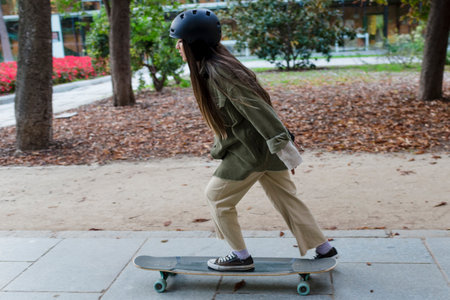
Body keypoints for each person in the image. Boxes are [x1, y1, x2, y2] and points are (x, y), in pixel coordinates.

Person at [169, 8, 338, 271]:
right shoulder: (213, 68)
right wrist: (281, 149)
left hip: (251, 150)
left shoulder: (220, 72)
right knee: (287, 199)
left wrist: (285, 149)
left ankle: (240, 256)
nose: (178, 47)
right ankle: (324, 249)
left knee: (216, 197)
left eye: (180, 41)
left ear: (194, 43)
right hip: (260, 147)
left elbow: (258, 109)